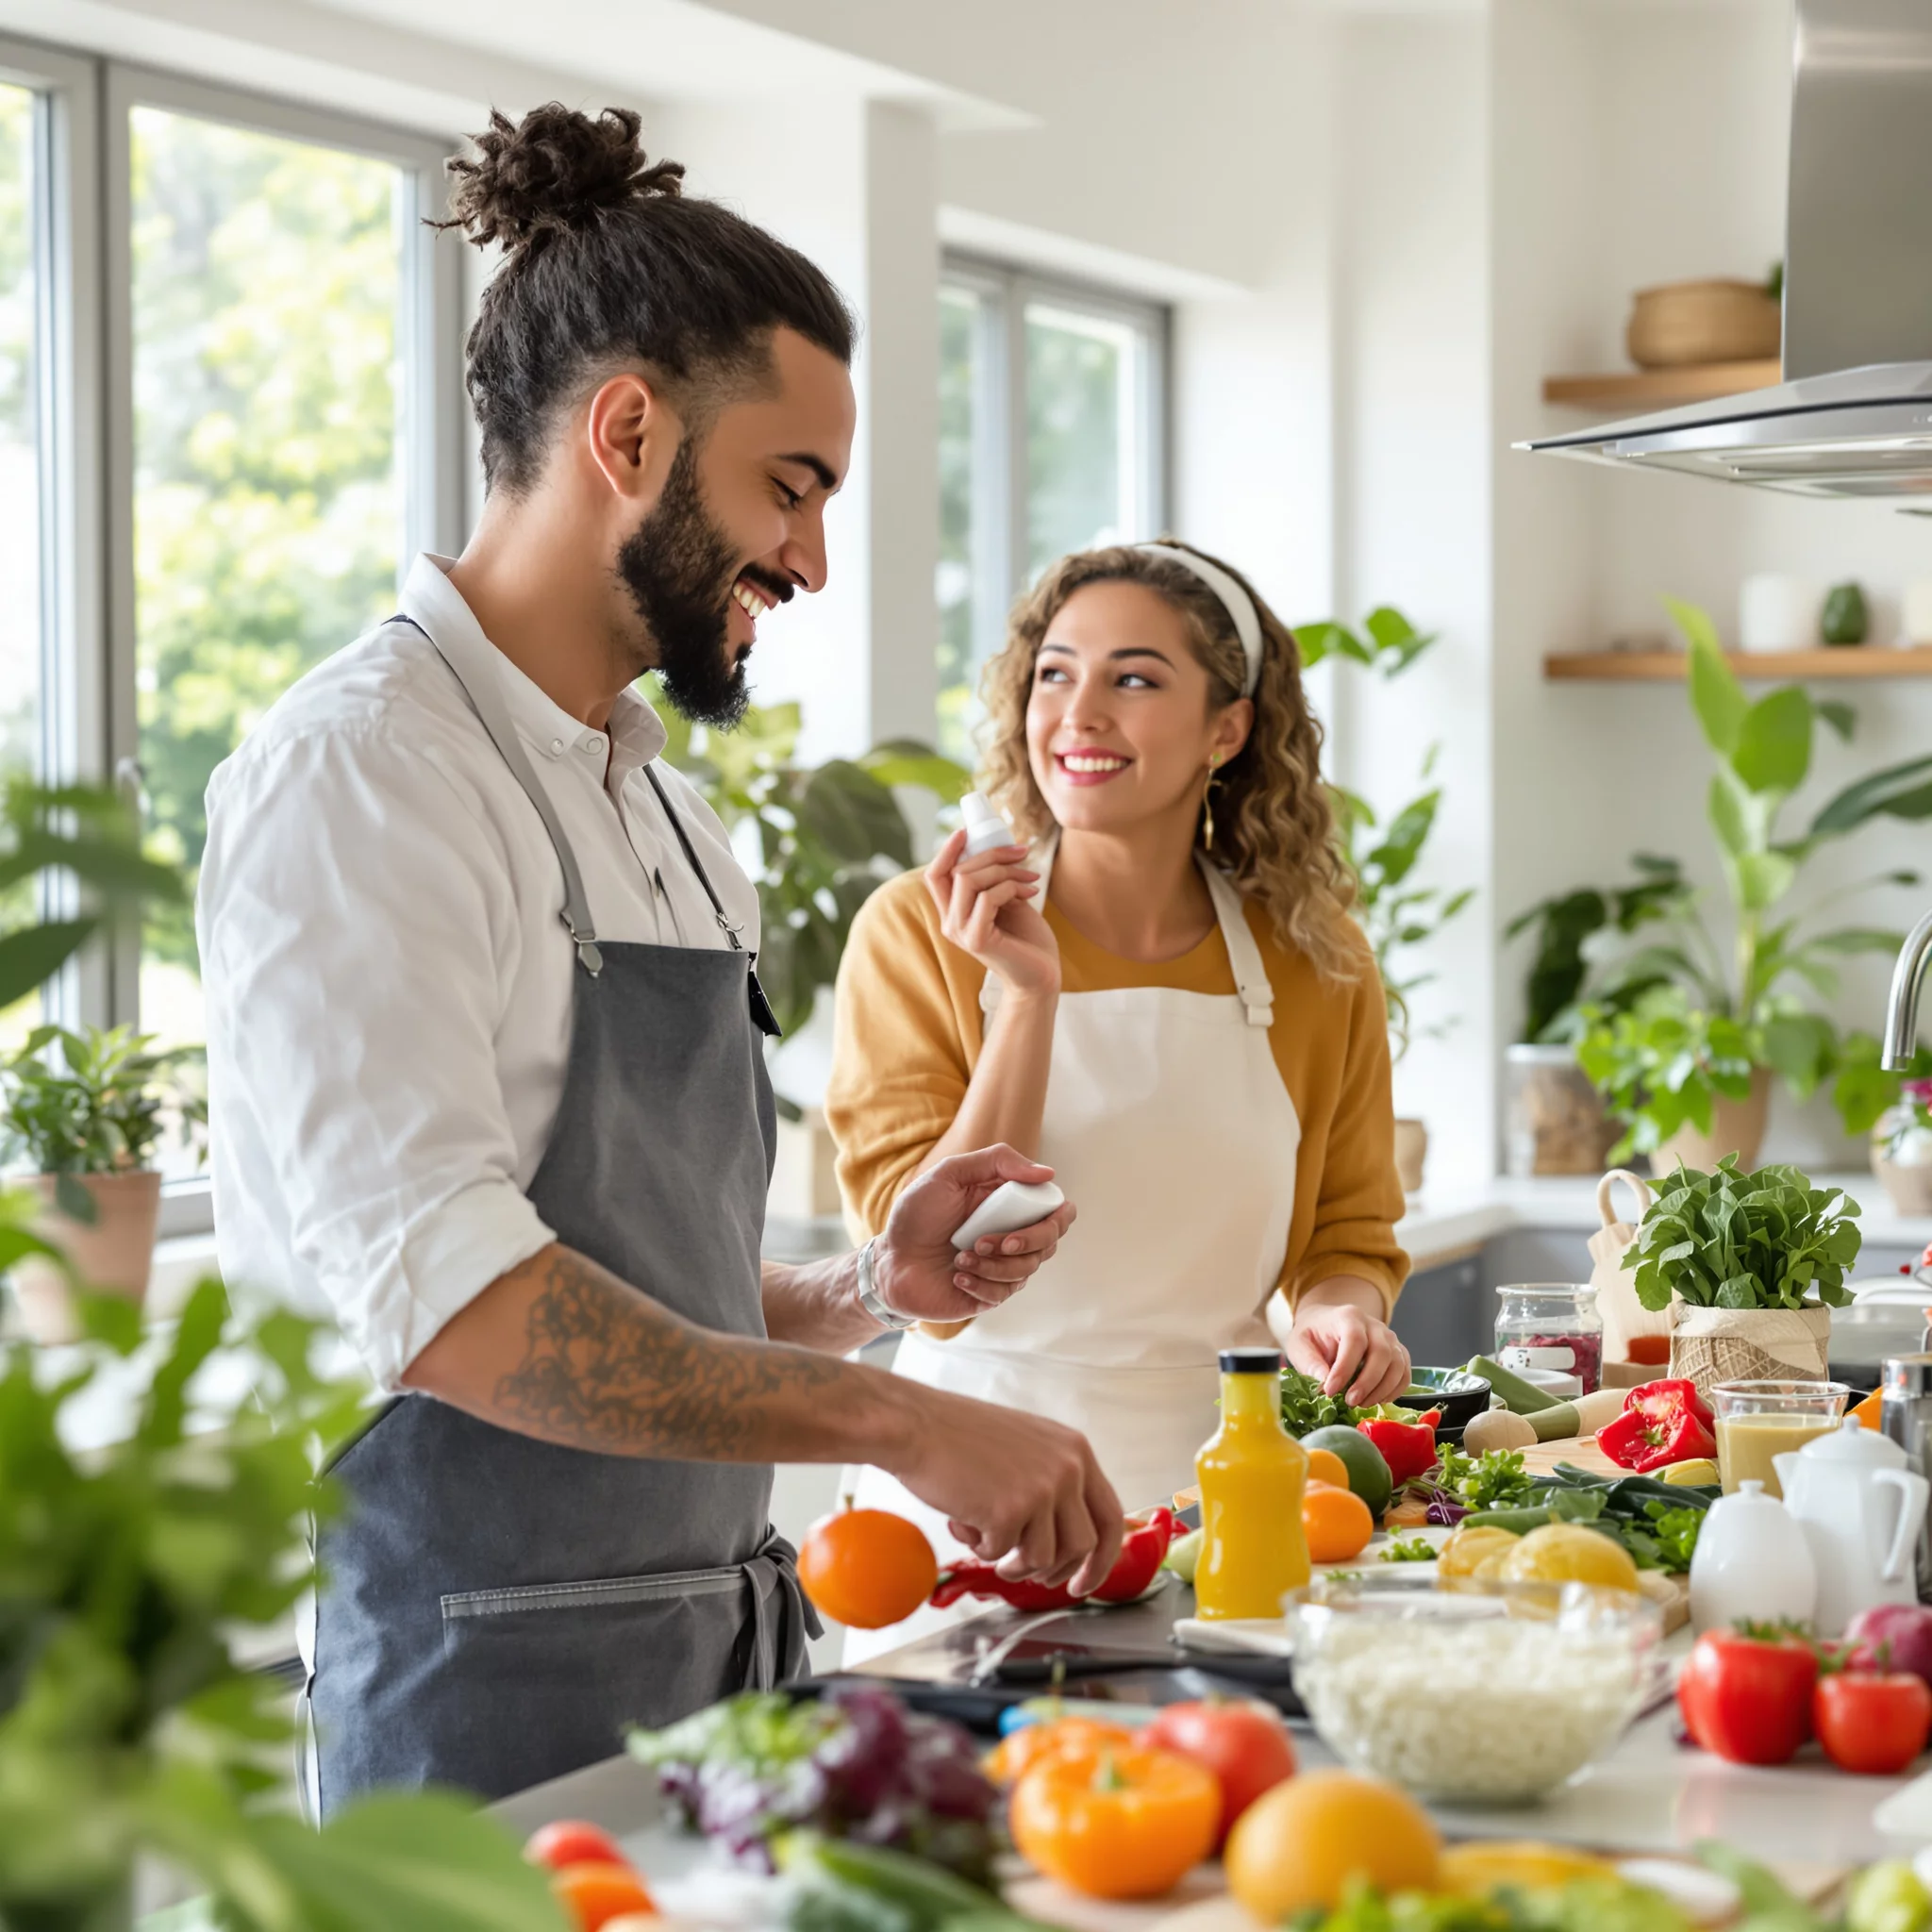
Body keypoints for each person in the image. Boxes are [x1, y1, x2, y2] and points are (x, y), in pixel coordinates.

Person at [195, 103, 1121, 1813]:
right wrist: (906, 1426)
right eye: (792, 484)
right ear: (626, 428)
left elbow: (638, 1274)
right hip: (473, 1710)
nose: (815, 560)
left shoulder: (668, 816)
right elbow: (455, 1307)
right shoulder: (367, 774)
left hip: (725, 1679)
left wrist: (866, 1295)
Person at [825, 541, 1411, 1656]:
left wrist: (1343, 1311)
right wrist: (1025, 994)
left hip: (1212, 1497)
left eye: (1134, 679)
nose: (1078, 714)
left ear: (1225, 729)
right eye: (1054, 673)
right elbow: (930, 1279)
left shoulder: (1311, 958)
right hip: (969, 1494)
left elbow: (1345, 1228)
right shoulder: (917, 929)